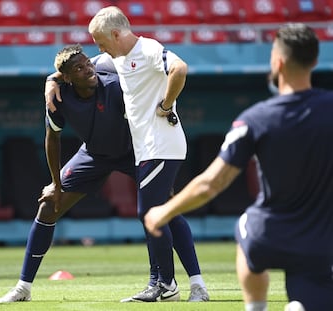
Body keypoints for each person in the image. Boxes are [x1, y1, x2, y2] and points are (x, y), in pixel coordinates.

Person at [0, 44, 208, 303]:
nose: (88, 69)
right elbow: (52, 139)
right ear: (68, 78)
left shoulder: (116, 85)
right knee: (48, 207)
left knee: (164, 209)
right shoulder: (59, 97)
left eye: (88, 63)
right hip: (93, 155)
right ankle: (23, 288)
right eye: (79, 68)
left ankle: (197, 284)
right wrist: (55, 184)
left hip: (134, 151)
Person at [143, 23, 333, 311]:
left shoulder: (254, 120)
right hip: (322, 240)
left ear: (277, 62)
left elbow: (211, 184)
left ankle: (256, 306)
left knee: (246, 224)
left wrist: (163, 212)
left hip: (271, 235)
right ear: (316, 61)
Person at [87, 5, 208, 303]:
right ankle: (197, 285)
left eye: (102, 42)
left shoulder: (149, 48)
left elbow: (179, 69)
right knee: (168, 214)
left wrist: (166, 105)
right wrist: (53, 81)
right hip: (148, 149)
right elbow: (81, 66)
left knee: (149, 213)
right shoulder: (117, 57)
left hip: (161, 145)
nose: (100, 48)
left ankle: (164, 284)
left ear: (116, 34)